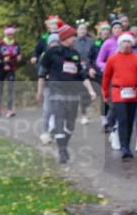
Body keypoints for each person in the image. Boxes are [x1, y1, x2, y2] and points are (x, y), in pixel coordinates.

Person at [37, 24, 97, 164]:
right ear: (65, 37)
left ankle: (63, 143)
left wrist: (91, 90)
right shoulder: (51, 53)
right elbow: (42, 74)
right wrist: (40, 92)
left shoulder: (74, 54)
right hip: (56, 91)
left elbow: (82, 75)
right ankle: (62, 151)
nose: (75, 38)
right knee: (59, 119)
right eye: (72, 36)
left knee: (70, 125)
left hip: (72, 93)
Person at [102, 32, 137, 159]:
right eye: (124, 42)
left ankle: (127, 146)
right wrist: (105, 93)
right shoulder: (113, 59)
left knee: (130, 120)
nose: (126, 44)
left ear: (132, 44)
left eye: (129, 42)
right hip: (118, 92)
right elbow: (106, 77)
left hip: (133, 93)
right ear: (120, 43)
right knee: (123, 118)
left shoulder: (136, 58)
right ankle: (124, 147)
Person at [33, 15, 62, 143]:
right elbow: (41, 75)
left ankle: (56, 131)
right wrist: (39, 92)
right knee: (47, 109)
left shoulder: (64, 54)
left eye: (57, 43)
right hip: (48, 85)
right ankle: (45, 132)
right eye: (52, 43)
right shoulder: (45, 54)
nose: (54, 45)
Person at [96, 20, 123, 144]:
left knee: (124, 105)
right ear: (112, 30)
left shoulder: (127, 41)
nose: (117, 29)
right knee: (114, 104)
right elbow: (99, 61)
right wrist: (108, 66)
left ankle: (119, 128)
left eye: (119, 27)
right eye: (115, 28)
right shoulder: (108, 43)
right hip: (112, 78)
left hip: (127, 79)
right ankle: (112, 126)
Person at [0, 26, 21, 118]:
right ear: (5, 34)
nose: (10, 35)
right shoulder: (1, 43)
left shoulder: (16, 44)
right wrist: (3, 59)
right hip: (1, 68)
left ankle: (9, 110)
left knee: (10, 89)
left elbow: (19, 55)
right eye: (8, 34)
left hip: (11, 68)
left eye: (11, 34)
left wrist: (19, 58)